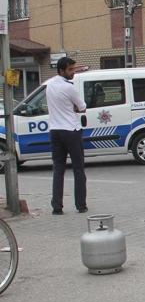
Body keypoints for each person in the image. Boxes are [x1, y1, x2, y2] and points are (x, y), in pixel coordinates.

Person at [46, 57, 88, 215]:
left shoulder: (49, 85)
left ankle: (57, 207)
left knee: (58, 169)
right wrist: (74, 109)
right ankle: (81, 205)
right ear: (61, 70)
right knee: (78, 169)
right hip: (71, 130)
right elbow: (82, 106)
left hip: (55, 131)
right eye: (70, 70)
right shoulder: (69, 88)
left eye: (74, 69)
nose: (73, 72)